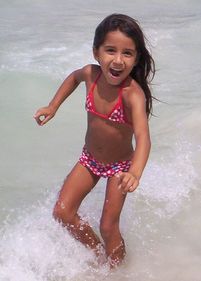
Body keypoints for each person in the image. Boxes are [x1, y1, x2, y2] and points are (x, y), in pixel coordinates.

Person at [34, 13, 155, 267]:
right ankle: (98, 254)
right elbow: (74, 77)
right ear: (96, 52)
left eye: (127, 53)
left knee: (108, 226)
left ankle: (116, 270)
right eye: (110, 50)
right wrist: (53, 105)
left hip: (120, 169)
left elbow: (143, 138)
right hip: (89, 158)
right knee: (62, 212)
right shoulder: (91, 74)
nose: (118, 60)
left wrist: (134, 173)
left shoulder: (133, 95)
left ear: (136, 59)